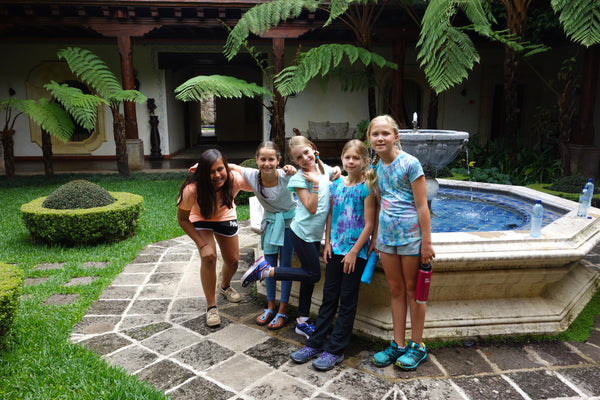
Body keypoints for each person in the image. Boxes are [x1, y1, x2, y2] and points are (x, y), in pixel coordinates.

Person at [289, 139, 377, 371]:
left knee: (347, 299)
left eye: (356, 158)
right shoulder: (336, 184)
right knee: (329, 296)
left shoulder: (367, 188)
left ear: (365, 161)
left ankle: (335, 349)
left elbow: (369, 224)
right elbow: (330, 215)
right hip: (335, 249)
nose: (351, 161)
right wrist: (327, 242)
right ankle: (315, 342)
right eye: (347, 157)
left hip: (354, 253)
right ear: (342, 159)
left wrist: (354, 252)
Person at [241, 135, 340, 339]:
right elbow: (312, 208)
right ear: (293, 161)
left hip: (315, 234)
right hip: (301, 233)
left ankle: (302, 321)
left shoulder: (325, 169)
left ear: (313, 149)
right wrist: (314, 184)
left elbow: (337, 182)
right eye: (298, 157)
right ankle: (266, 271)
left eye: (306, 153)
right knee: (314, 275)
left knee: (308, 277)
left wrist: (338, 171)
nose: (304, 158)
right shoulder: (298, 178)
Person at [367, 115, 435, 371]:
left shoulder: (410, 164)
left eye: (385, 133)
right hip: (387, 239)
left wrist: (426, 243)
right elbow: (379, 204)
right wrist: (376, 238)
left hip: (410, 238)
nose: (380, 138)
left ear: (396, 137)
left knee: (413, 291)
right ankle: (398, 344)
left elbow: (422, 205)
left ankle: (417, 346)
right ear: (370, 138)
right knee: (395, 290)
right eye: (375, 134)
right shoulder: (375, 168)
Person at [177, 149, 250, 327]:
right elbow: (182, 219)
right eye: (211, 171)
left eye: (220, 169)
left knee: (233, 261)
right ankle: (211, 306)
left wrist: (233, 166)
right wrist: (202, 245)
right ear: (203, 173)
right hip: (200, 217)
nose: (217, 175)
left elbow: (260, 179)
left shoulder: (233, 178)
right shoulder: (191, 189)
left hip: (225, 216)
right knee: (209, 256)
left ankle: (224, 286)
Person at [230, 141, 297, 330]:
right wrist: (202, 165)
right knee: (267, 266)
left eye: (271, 159)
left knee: (285, 267)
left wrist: (294, 169)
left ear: (278, 160)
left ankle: (283, 309)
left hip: (289, 225)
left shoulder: (287, 176)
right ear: (257, 160)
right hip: (269, 224)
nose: (267, 163)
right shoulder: (252, 175)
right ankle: (270, 306)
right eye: (263, 159)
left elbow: (311, 178)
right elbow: (231, 166)